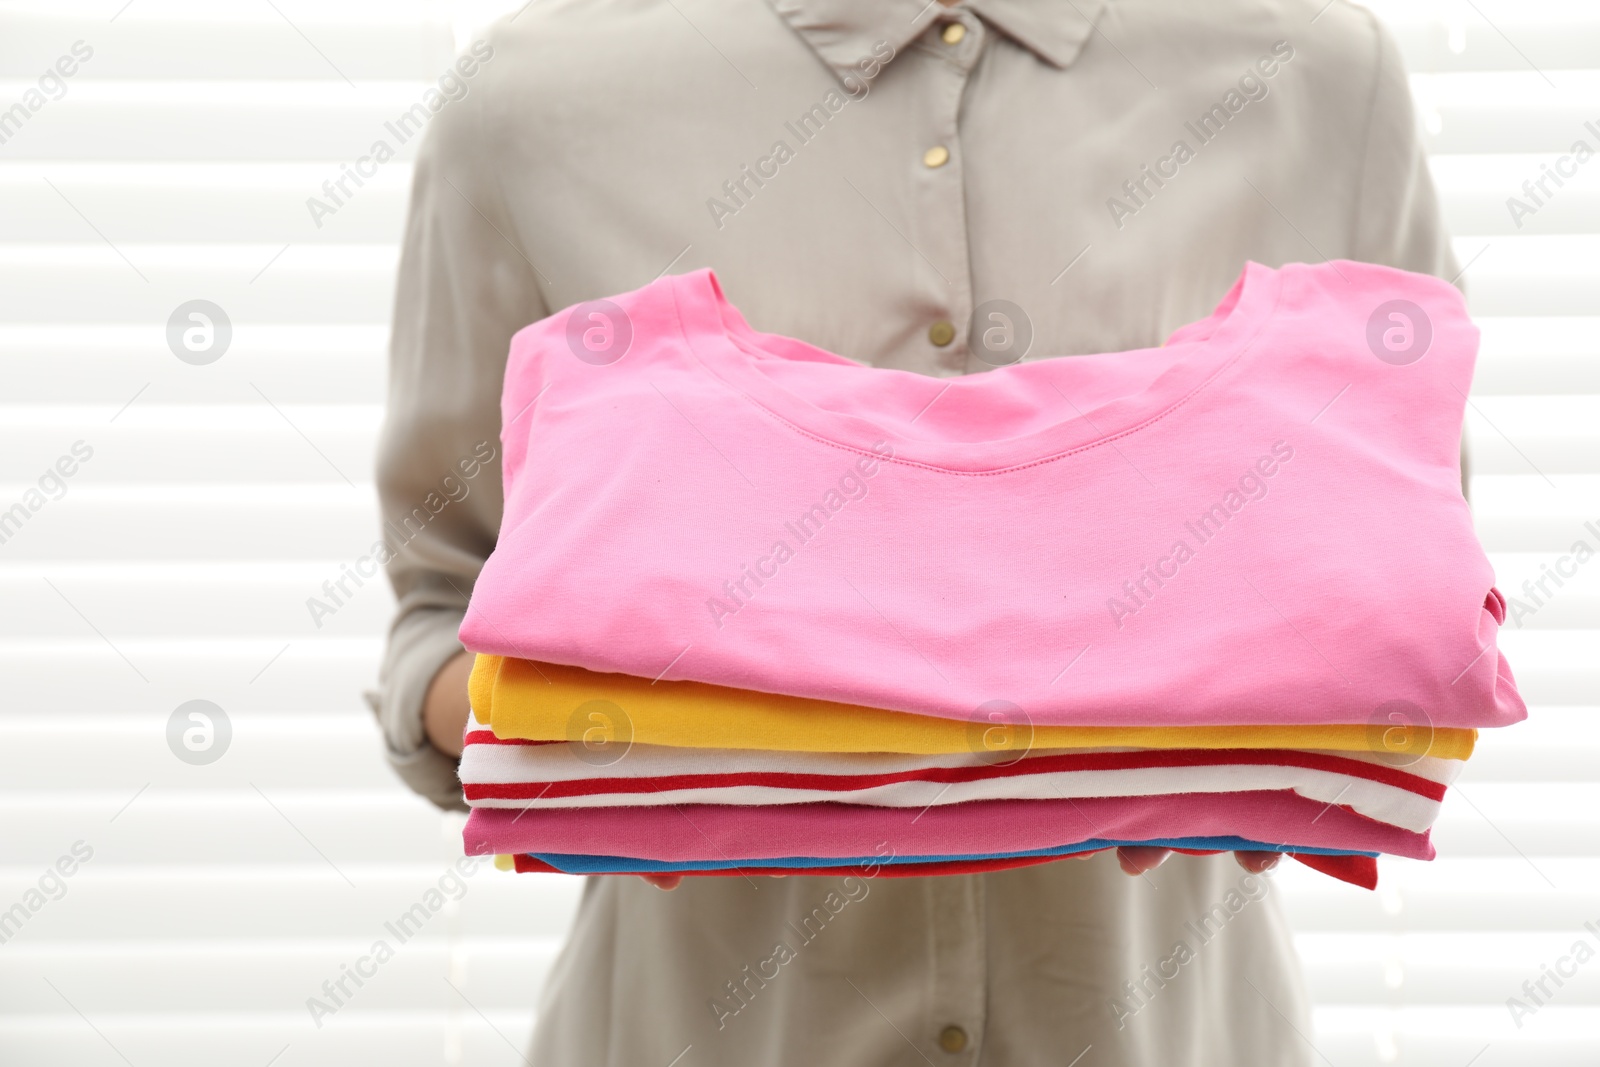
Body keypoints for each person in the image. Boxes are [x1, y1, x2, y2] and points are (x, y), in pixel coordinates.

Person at [372, 1, 1457, 1062]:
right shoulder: (535, 99)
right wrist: (610, 735)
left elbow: (1404, 591)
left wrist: (1283, 734)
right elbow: (440, 611)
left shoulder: (1317, 76)